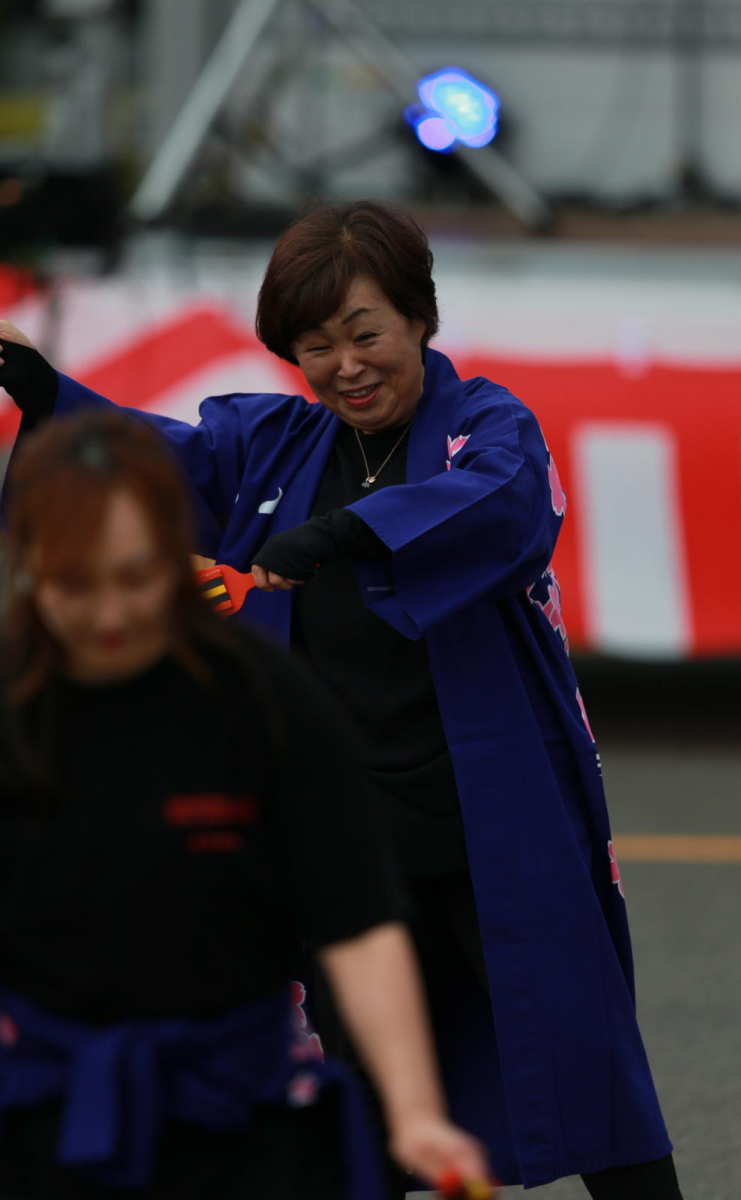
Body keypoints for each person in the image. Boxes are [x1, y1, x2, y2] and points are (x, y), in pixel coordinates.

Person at [0, 200, 685, 1199]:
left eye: (364, 332)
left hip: (487, 815)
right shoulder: (270, 441)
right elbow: (151, 459)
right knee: (356, 1098)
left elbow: (503, 504)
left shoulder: (486, 426)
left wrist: (340, 534)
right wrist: (46, 390)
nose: (343, 365)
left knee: (581, 1061)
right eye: (315, 346)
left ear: (418, 319)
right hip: (347, 830)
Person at [0, 410, 489, 1200]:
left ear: (174, 554)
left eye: (135, 577)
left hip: (240, 1113)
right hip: (41, 1107)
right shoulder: (11, 707)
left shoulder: (268, 702)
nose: (110, 615)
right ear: (29, 568)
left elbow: (357, 922)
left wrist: (415, 1109)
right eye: (74, 585)